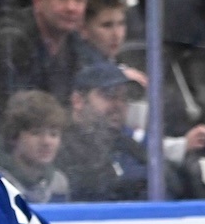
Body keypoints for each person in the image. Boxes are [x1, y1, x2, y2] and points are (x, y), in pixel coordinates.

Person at [0, 0, 108, 123]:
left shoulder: (74, 42)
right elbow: (4, 114)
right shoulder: (11, 42)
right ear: (37, 0)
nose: (71, 7)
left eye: (79, 0)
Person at [55, 63, 148, 201]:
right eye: (109, 95)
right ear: (78, 101)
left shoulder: (126, 143)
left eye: (124, 97)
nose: (119, 105)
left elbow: (167, 179)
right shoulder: (58, 145)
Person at [0, 91, 72, 204]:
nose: (47, 142)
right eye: (36, 133)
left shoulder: (58, 183)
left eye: (53, 134)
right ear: (14, 136)